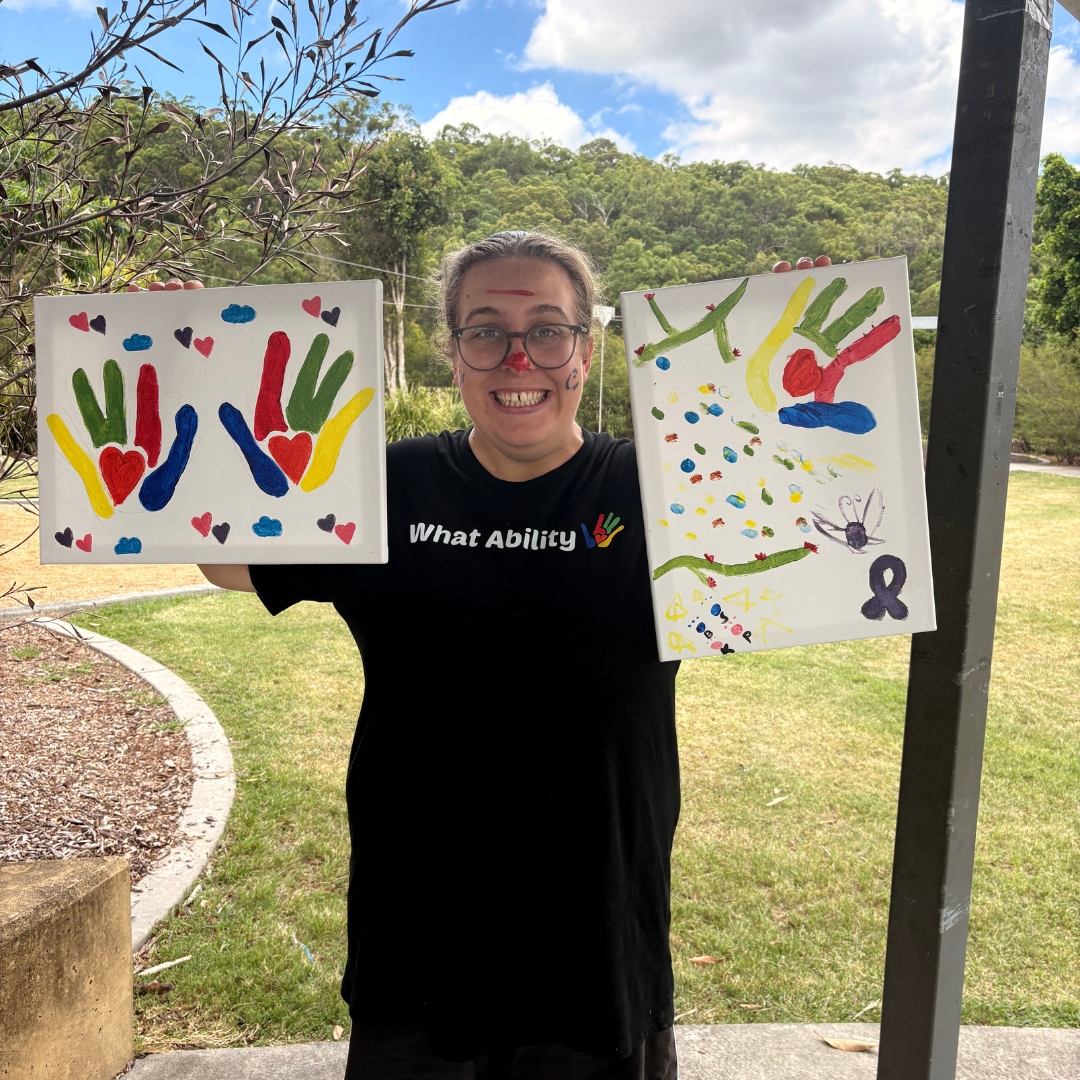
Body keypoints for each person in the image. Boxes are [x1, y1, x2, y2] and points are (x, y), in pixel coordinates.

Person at [193, 233, 829, 1079]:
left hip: (597, 927)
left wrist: (790, 340)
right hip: (419, 927)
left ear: (584, 352)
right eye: (486, 331)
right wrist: (187, 371)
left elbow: (814, 529)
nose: (518, 358)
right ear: (454, 353)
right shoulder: (384, 485)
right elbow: (228, 560)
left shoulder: (665, 491)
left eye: (548, 330)